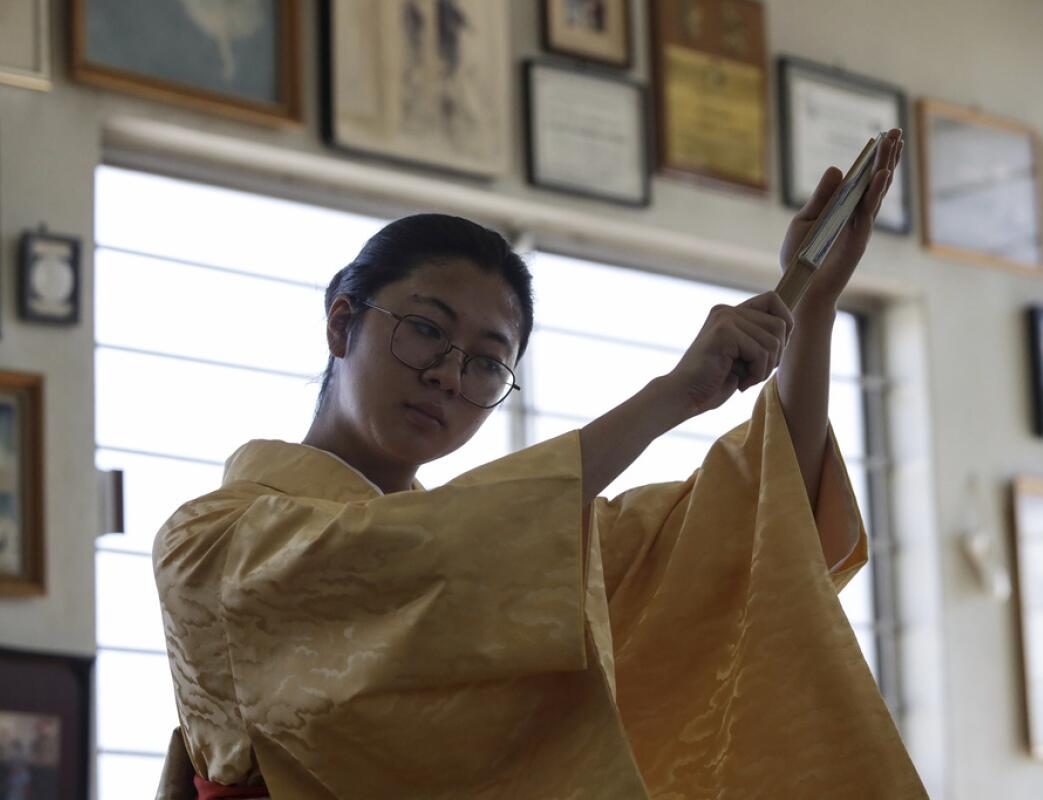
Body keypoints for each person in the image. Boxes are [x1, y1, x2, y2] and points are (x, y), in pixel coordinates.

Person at [154, 130, 927, 799]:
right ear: (341, 323)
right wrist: (666, 399)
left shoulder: (534, 555)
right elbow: (405, 556)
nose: (451, 375)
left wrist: (812, 305)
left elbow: (756, 524)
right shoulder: (207, 540)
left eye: (489, 363)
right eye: (426, 329)